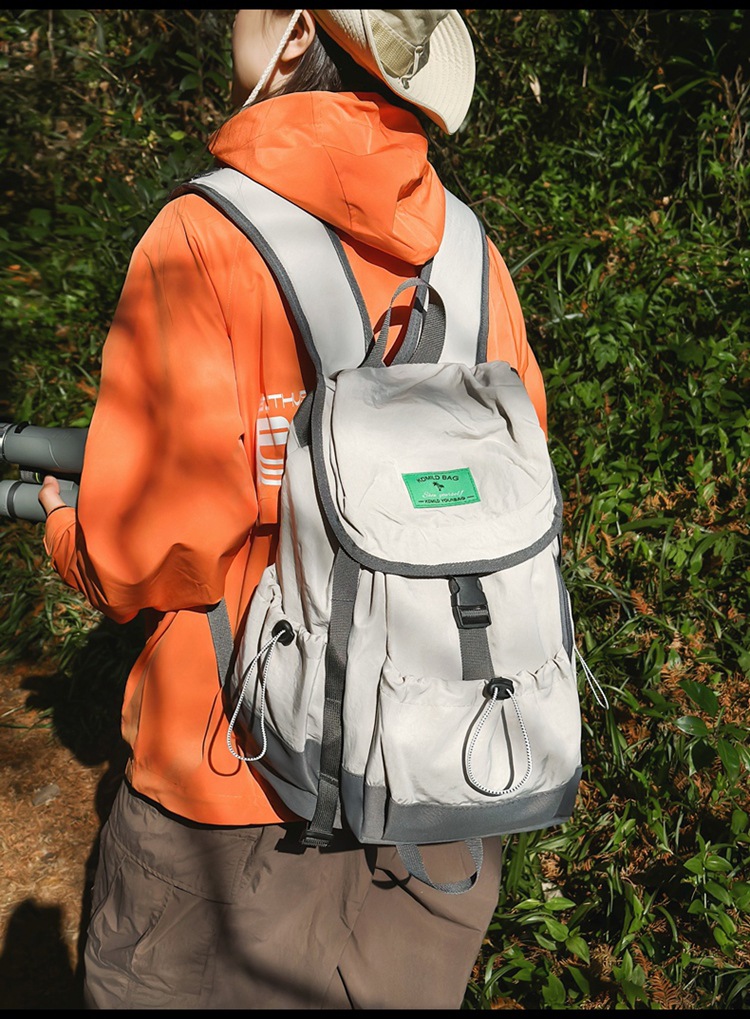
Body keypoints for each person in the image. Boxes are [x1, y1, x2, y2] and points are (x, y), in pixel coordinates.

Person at [39, 10, 548, 1010]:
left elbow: (146, 549)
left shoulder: (204, 237)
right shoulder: (470, 254)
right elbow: (523, 502)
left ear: (297, 30)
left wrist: (69, 528)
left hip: (234, 786)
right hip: (445, 783)